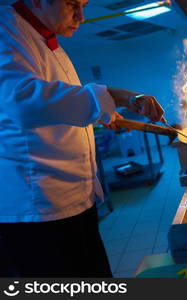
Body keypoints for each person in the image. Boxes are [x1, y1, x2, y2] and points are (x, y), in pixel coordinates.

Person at [0, 0, 166, 277]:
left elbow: (58, 108)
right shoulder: (6, 29)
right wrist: (113, 95)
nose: (81, 16)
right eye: (72, 4)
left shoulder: (44, 39)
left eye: (84, 4)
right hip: (40, 208)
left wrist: (104, 114)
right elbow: (21, 100)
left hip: (72, 198)